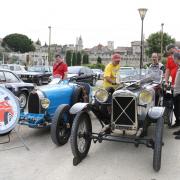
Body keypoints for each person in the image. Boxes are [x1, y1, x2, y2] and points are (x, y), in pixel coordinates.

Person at [164, 44, 179, 127]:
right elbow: (168, 69)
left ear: (173, 48)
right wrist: (166, 81)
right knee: (175, 104)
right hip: (173, 84)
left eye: (170, 52)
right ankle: (178, 122)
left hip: (179, 84)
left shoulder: (179, 54)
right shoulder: (169, 58)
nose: (170, 55)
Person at [172, 52, 180, 139]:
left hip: (179, 94)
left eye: (174, 58)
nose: (173, 60)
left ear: (177, 58)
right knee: (177, 111)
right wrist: (173, 86)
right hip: (177, 93)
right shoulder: (179, 68)